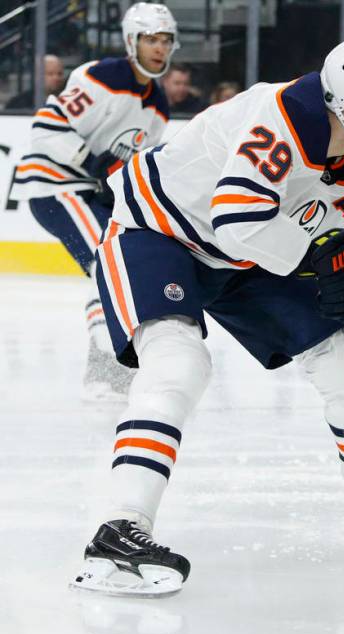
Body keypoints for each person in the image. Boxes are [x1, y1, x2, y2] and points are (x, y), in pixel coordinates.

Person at [69, 38, 344, 597]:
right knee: (178, 362)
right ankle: (119, 530)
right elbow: (237, 217)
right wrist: (318, 258)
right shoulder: (282, 114)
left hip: (247, 249)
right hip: (159, 232)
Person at [9, 3, 174, 399]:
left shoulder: (159, 104)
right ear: (131, 41)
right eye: (151, 39)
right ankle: (105, 366)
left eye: (166, 40)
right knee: (106, 259)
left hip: (88, 191)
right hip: (54, 184)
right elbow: (46, 128)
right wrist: (94, 162)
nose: (160, 49)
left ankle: (106, 370)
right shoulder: (104, 76)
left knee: (123, 262)